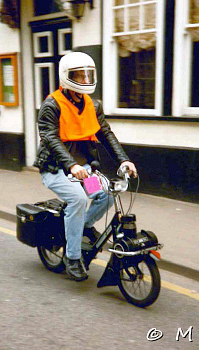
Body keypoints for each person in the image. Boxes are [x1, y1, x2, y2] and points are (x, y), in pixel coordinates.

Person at [34, 52, 137, 282]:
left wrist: (124, 160)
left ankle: (83, 226)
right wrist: (70, 165)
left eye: (86, 75)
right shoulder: (51, 105)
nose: (83, 80)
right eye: (78, 76)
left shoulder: (92, 105)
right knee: (78, 199)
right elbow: (51, 138)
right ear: (66, 77)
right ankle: (72, 258)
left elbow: (106, 134)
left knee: (107, 195)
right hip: (56, 169)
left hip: (84, 170)